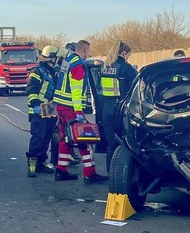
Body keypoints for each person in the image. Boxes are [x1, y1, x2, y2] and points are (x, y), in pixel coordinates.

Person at [52, 40, 108, 184]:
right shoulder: (78, 65)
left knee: (66, 139)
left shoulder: (68, 61)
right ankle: (90, 173)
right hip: (71, 107)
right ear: (84, 50)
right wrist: (78, 112)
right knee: (84, 140)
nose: (88, 54)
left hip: (61, 106)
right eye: (88, 51)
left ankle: (61, 170)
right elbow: (76, 90)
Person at [101, 41, 138, 173]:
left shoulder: (105, 66)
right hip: (121, 109)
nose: (128, 58)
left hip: (107, 108)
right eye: (128, 55)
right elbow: (136, 87)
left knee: (111, 143)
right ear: (124, 53)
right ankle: (121, 174)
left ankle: (110, 172)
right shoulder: (126, 68)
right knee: (125, 143)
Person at [25, 45, 60, 177]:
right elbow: (31, 89)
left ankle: (41, 162)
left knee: (46, 137)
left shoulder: (53, 72)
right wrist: (36, 104)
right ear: (51, 58)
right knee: (38, 137)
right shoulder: (37, 71)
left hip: (50, 109)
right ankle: (32, 164)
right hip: (38, 110)